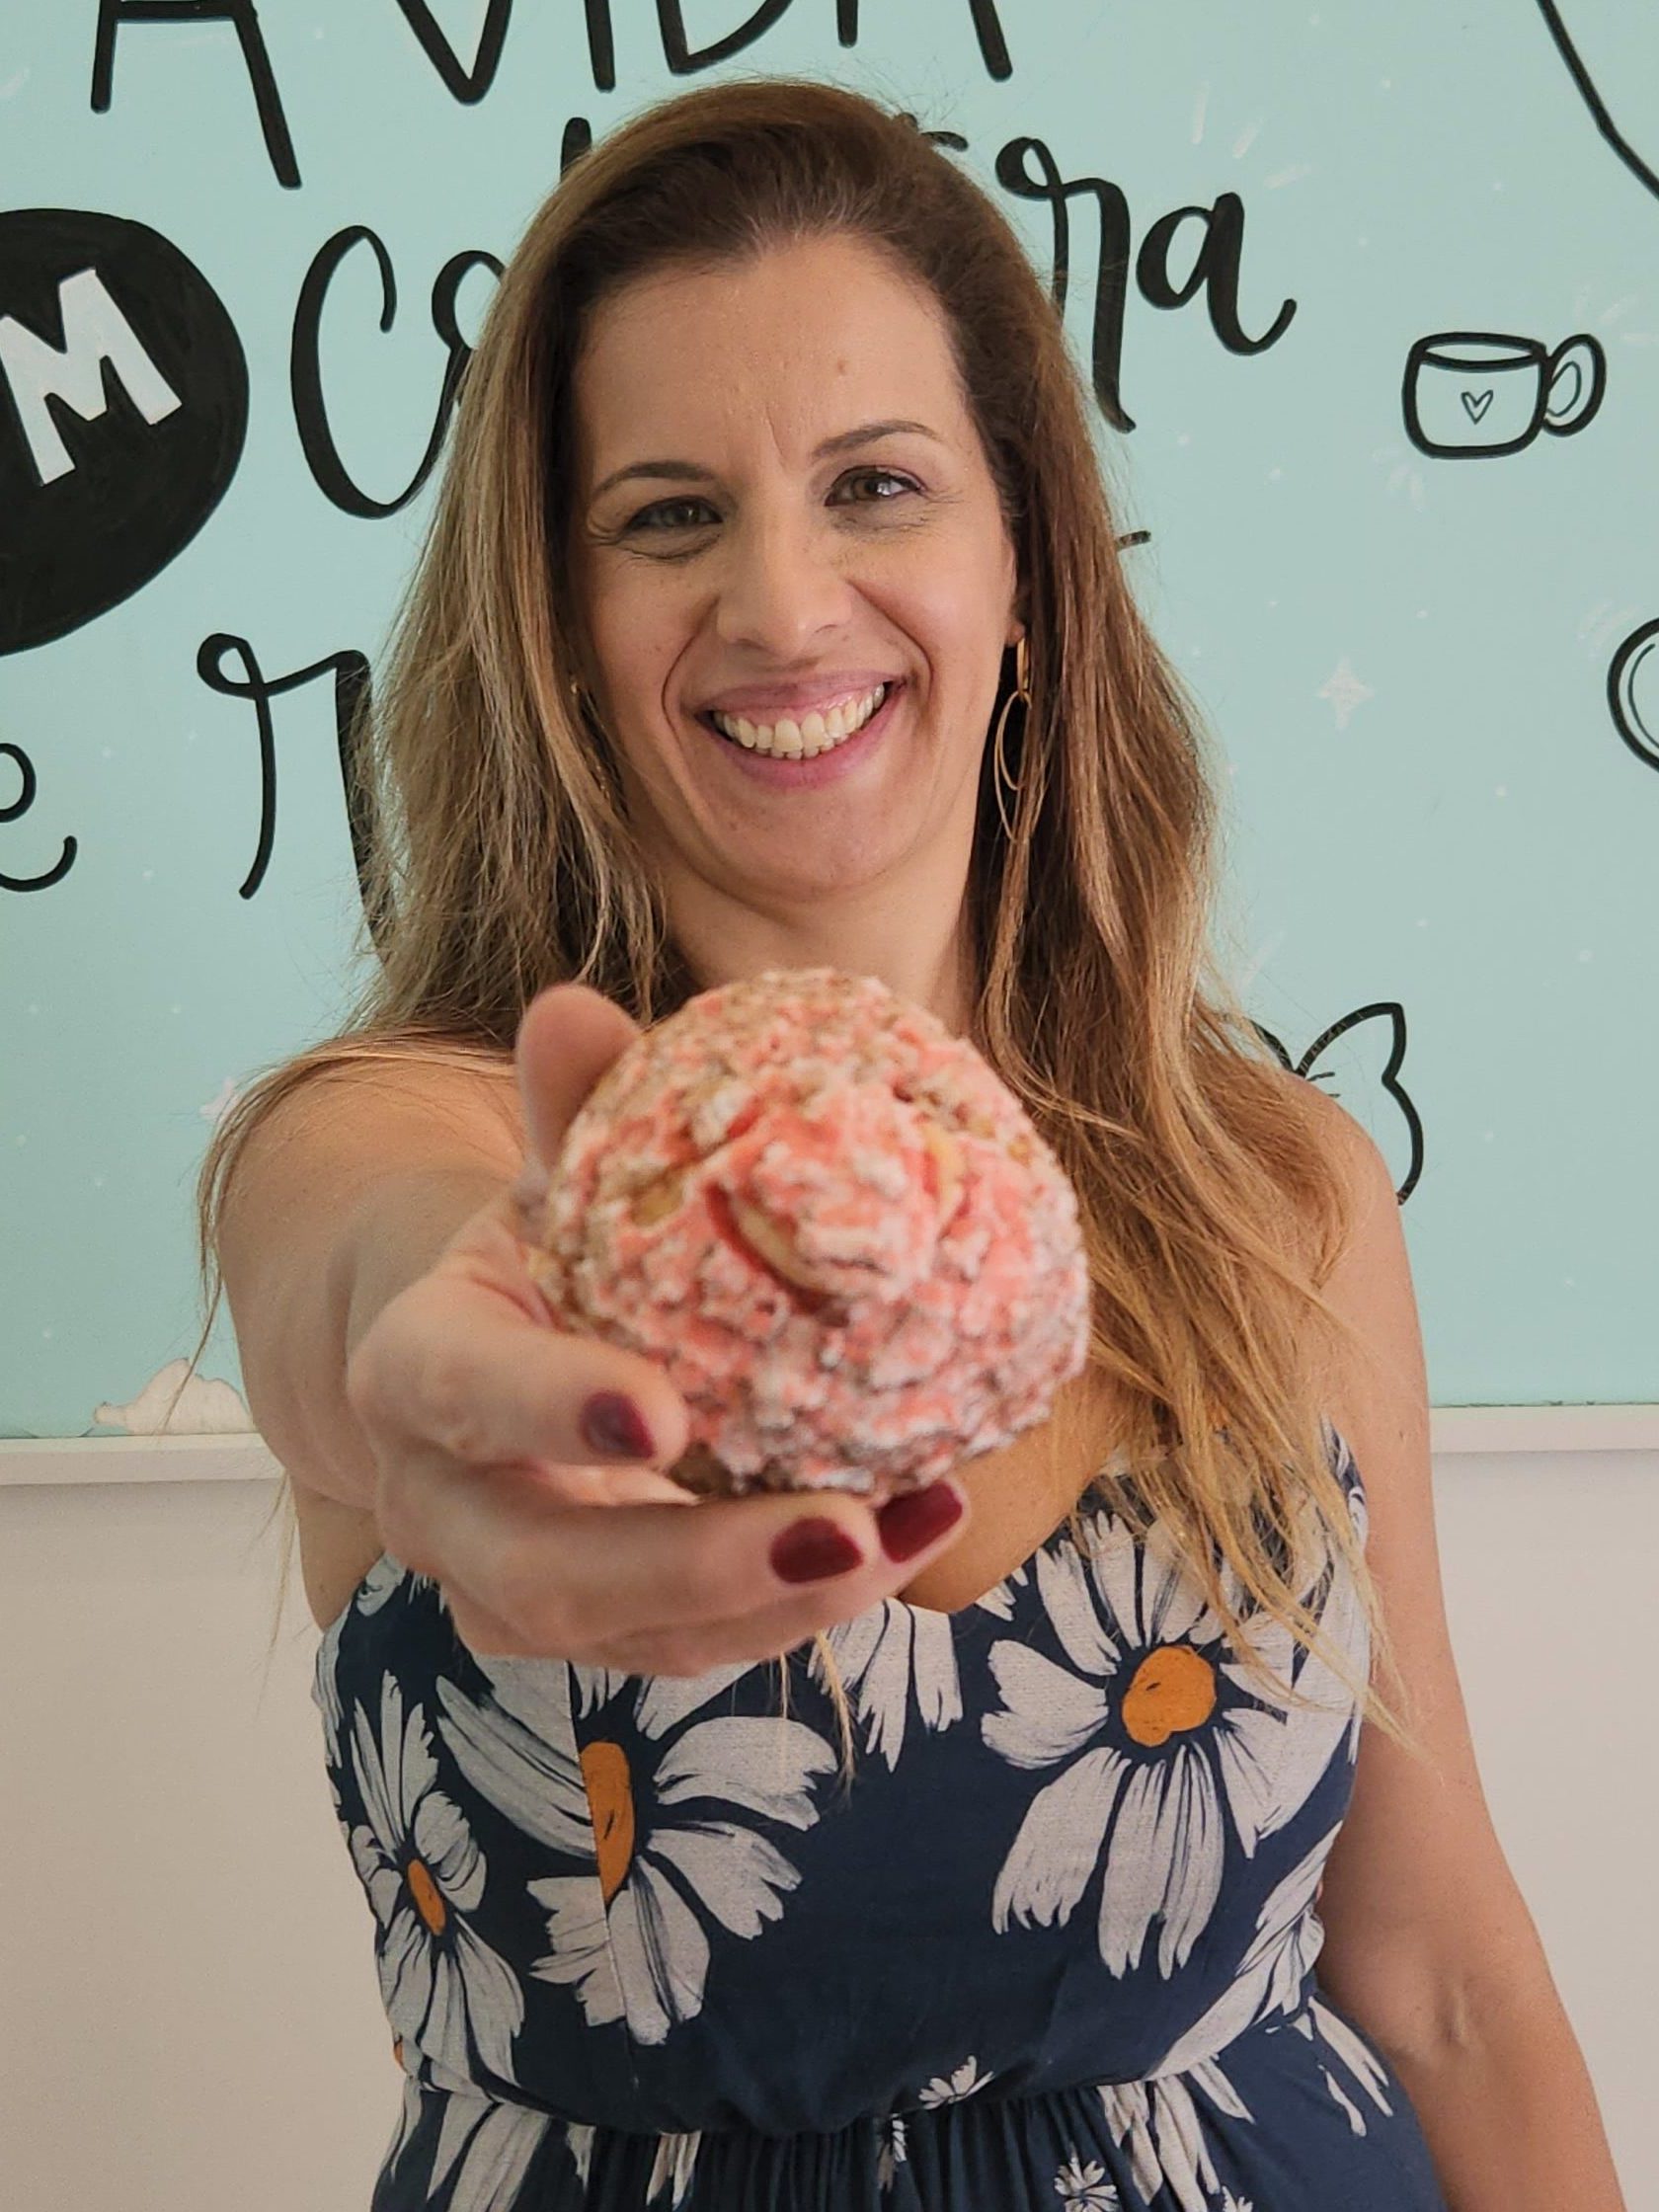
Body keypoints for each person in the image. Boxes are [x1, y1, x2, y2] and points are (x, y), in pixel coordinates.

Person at [186, 75, 1626, 2212]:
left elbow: (1447, 1983)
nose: (782, 604)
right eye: (668, 515)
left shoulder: (1275, 1184)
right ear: (559, 625)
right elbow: (369, 1268)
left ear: (1023, 563)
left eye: (874, 484)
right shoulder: (417, 1135)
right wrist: (460, 1337)